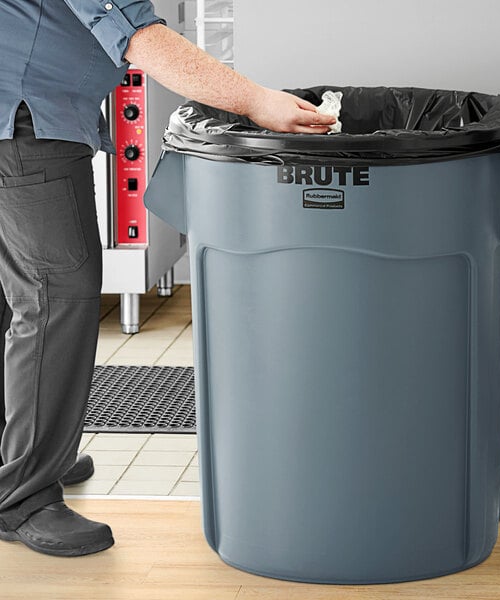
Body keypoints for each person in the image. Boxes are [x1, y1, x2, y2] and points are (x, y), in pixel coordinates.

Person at [0, 1, 335, 557]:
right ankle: (24, 497)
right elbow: (141, 39)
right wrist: (255, 101)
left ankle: (27, 455)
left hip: (22, 115)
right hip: (24, 126)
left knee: (19, 298)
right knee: (57, 297)